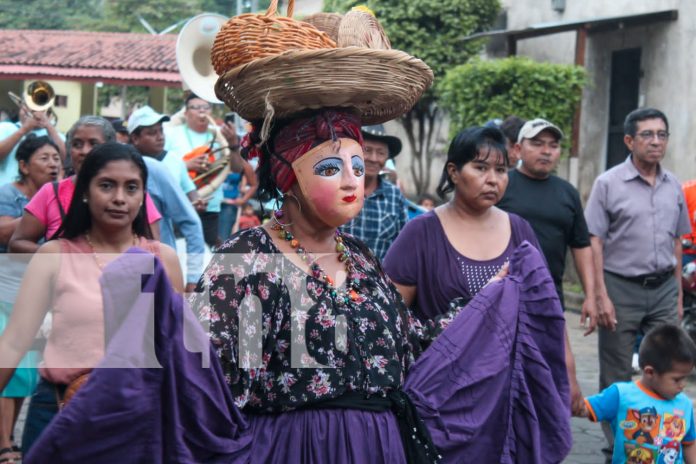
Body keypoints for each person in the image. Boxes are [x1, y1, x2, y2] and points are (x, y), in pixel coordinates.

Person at [0, 142, 183, 455]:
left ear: (143, 196)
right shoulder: (53, 255)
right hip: (59, 412)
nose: (119, 198)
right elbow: (14, 342)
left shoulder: (162, 260)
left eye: (132, 187)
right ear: (84, 191)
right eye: (107, 185)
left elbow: (178, 351)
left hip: (139, 422)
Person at [585, 107, 691, 457]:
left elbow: (678, 241)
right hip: (620, 285)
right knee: (616, 370)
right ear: (629, 140)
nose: (656, 141)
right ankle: (618, 443)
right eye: (648, 135)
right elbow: (594, 241)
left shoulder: (673, 183)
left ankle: (667, 435)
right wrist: (599, 294)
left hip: (662, 286)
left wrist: (676, 293)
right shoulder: (608, 183)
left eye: (662, 134)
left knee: (670, 359)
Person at [497, 118, 597, 414]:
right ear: (517, 148)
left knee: (546, 374)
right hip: (503, 296)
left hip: (549, 298)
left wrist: (591, 294)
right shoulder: (502, 183)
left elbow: (580, 245)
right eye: (537, 143)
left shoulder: (567, 193)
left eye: (553, 146)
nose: (546, 151)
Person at [8, 116, 161, 253]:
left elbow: (153, 248)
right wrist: (61, 255)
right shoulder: (52, 192)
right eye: (77, 144)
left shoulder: (131, 193)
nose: (84, 151)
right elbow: (17, 244)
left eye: (93, 143)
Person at [0, 135, 61, 463]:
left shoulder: (56, 196)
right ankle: (5, 442)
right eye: (44, 158)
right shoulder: (8, 194)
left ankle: (8, 437)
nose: (53, 164)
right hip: (4, 287)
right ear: (23, 166)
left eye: (55, 158)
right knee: (10, 361)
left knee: (25, 372)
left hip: (35, 290)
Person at [578, 324, 696, 463]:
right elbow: (582, 407)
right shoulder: (621, 395)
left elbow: (689, 443)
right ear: (650, 372)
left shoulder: (684, 404)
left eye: (685, 378)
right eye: (677, 379)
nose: (683, 385)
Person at [127, 106, 207, 292]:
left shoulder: (163, 167)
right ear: (135, 138)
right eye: (151, 133)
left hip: (159, 266)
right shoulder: (116, 164)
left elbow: (191, 221)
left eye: (160, 131)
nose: (159, 136)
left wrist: (194, 277)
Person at [165, 94, 244, 248]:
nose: (202, 112)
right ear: (186, 112)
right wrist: (186, 165)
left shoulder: (220, 135)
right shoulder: (171, 133)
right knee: (178, 250)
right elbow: (161, 165)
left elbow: (236, 168)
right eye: (196, 107)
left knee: (206, 254)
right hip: (180, 203)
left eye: (206, 107)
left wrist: (233, 145)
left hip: (210, 206)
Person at [341, 124, 409, 260]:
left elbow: (404, 246)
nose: (373, 158)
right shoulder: (338, 189)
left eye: (381, 153)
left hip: (380, 278)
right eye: (367, 150)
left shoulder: (395, 196)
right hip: (336, 276)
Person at [0, 102, 65, 186]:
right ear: (21, 109)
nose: (34, 112)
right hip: (6, 192)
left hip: (44, 193)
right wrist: (25, 128)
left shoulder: (55, 134)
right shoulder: (5, 127)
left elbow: (65, 160)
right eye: (28, 106)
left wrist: (48, 126)